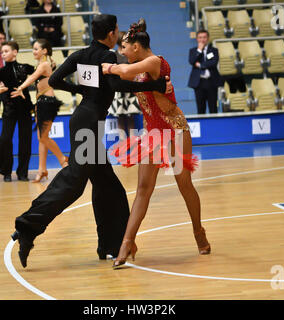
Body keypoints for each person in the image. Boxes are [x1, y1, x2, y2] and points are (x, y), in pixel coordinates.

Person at [10, 14, 172, 268]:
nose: (118, 34)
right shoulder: (107, 57)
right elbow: (117, 86)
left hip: (85, 120)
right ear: (110, 34)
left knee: (109, 187)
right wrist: (154, 86)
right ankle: (27, 227)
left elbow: (54, 81)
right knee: (74, 182)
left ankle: (109, 246)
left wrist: (80, 91)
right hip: (88, 124)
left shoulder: (81, 54)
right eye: (116, 30)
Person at [102, 19, 211, 269]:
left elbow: (124, 72)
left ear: (137, 47)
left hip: (174, 130)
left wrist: (107, 66)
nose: (122, 52)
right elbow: (125, 73)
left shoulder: (154, 62)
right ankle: (126, 244)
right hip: (152, 133)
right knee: (143, 189)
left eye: (124, 48)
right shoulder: (138, 65)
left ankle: (198, 232)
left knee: (184, 184)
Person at [10, 39, 68, 182]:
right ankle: (42, 169)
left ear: (44, 51)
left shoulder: (44, 65)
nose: (34, 51)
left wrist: (20, 88)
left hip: (48, 104)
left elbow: (33, 78)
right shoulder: (41, 64)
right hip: (41, 103)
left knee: (43, 137)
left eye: (36, 49)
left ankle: (63, 160)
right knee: (42, 139)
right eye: (33, 49)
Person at [0, 41, 35, 182]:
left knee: (25, 141)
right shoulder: (1, 72)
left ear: (15, 52)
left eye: (6, 51)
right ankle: (7, 172)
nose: (3, 54)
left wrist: (50, 64)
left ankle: (22, 172)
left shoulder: (25, 68)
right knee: (5, 140)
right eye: (2, 52)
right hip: (9, 109)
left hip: (25, 108)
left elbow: (40, 72)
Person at [108, 31, 141, 139]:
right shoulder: (113, 55)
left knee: (131, 116)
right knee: (120, 117)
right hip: (118, 90)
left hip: (130, 89)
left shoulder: (130, 55)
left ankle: (132, 140)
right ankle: (123, 140)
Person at [188, 29, 222, 114]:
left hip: (212, 82)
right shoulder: (193, 51)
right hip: (199, 83)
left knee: (213, 108)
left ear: (208, 38)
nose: (202, 39)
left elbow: (213, 63)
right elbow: (192, 61)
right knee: (200, 108)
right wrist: (199, 50)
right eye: (200, 37)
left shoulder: (214, 50)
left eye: (204, 37)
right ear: (197, 39)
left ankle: (214, 126)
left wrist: (200, 65)